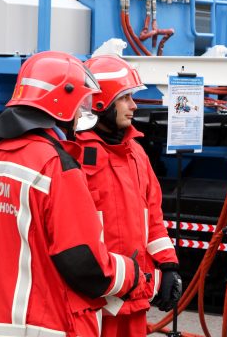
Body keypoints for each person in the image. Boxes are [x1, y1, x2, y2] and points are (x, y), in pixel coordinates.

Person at [0, 51, 148, 337]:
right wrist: (132, 273)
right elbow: (86, 263)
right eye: (81, 103)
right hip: (50, 322)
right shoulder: (55, 165)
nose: (83, 112)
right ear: (61, 100)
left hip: (1, 323)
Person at [77, 55, 181, 337]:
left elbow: (153, 217)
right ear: (102, 102)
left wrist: (168, 266)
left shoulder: (136, 152)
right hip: (93, 304)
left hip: (134, 301)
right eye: (125, 98)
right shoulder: (73, 154)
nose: (134, 106)